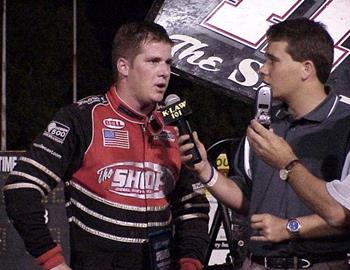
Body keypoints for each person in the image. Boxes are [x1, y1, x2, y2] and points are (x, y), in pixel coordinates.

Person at [3, 21, 210, 270]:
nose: (164, 72)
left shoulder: (173, 127)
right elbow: (20, 188)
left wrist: (190, 261)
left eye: (168, 63)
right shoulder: (81, 118)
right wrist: (53, 262)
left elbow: (193, 206)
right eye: (153, 61)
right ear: (123, 66)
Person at [178, 17, 350, 269]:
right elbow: (249, 199)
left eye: (273, 60)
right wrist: (205, 171)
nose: (262, 69)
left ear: (306, 68)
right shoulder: (265, 125)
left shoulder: (344, 127)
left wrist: (291, 227)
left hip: (318, 264)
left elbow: (343, 215)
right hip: (255, 263)